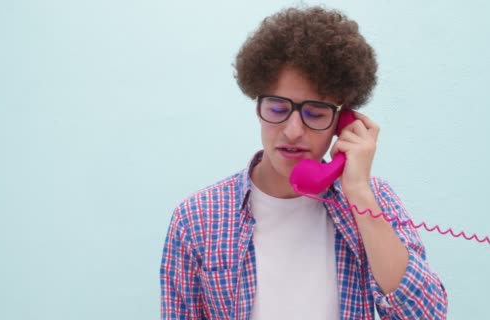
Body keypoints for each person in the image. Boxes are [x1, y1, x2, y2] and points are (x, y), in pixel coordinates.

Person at [160, 5, 447, 320]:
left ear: (343, 121)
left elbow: (428, 315)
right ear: (258, 103)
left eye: (316, 113)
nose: (293, 131)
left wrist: (359, 192)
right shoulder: (196, 219)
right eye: (277, 107)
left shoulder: (373, 201)